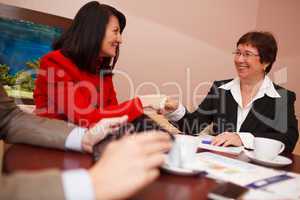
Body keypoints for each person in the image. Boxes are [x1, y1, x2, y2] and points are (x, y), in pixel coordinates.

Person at [0, 82, 172, 199]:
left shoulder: (104, 72)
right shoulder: (57, 62)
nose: (120, 39)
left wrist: (84, 137)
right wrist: (89, 185)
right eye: (115, 31)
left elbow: (8, 117)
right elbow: (84, 114)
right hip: (45, 159)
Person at [161, 31, 298, 153]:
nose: (239, 60)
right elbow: (192, 127)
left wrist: (242, 138)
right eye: (238, 53)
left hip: (258, 170)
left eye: (247, 54)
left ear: (266, 62)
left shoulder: (282, 97)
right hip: (221, 164)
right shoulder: (220, 89)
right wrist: (175, 109)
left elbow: (288, 139)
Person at [34, 1, 165, 128]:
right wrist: (143, 102)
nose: (120, 39)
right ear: (95, 31)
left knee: (143, 124)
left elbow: (114, 115)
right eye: (115, 31)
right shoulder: (54, 62)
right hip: (62, 144)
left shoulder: (102, 69)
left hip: (96, 142)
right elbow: (85, 118)